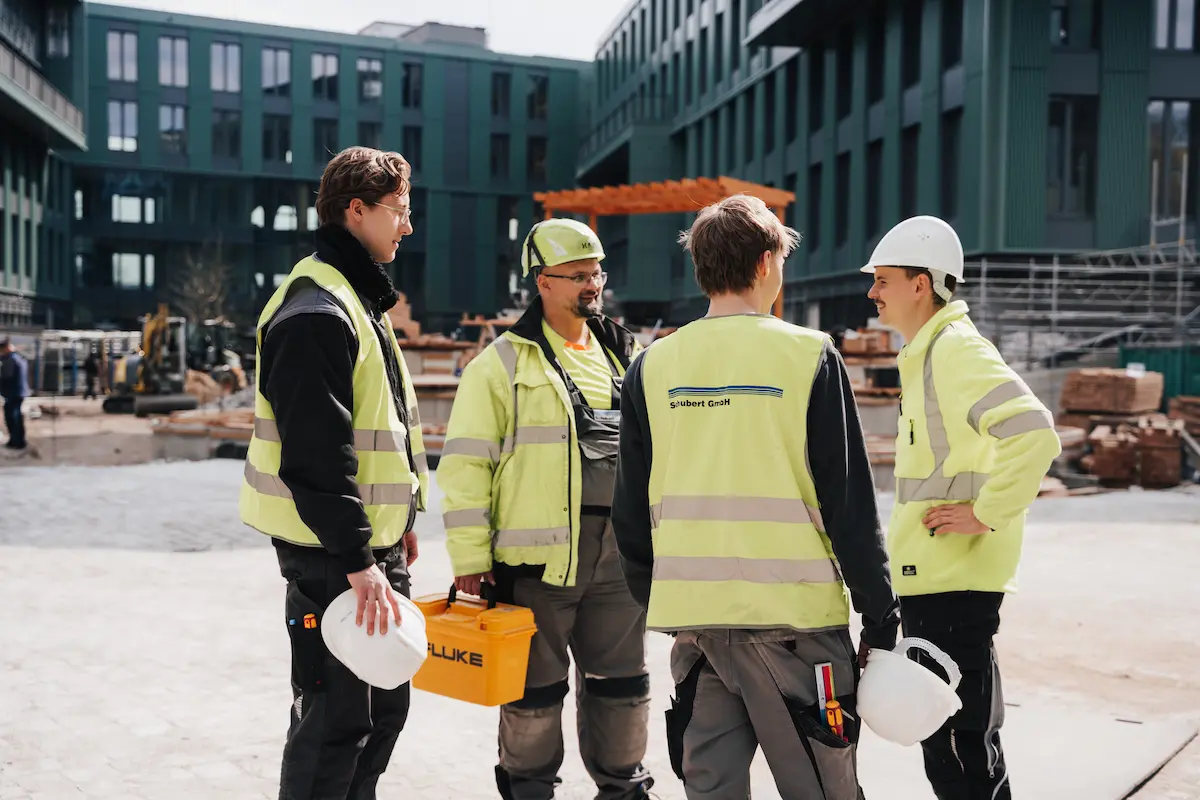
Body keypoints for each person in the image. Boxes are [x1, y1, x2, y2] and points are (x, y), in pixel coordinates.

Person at [611, 194, 900, 800]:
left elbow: (630, 510)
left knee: (710, 788)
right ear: (768, 262)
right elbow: (848, 506)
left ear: (701, 268)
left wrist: (661, 593)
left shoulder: (652, 365)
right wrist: (879, 613)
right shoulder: (809, 356)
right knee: (823, 788)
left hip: (696, 628)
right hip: (794, 626)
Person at [438, 218, 655, 800]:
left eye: (598, 273)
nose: (594, 284)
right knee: (534, 692)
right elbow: (464, 469)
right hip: (537, 565)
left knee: (623, 685)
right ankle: (529, 788)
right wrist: (469, 557)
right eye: (579, 275)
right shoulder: (500, 365)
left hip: (619, 561)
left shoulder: (628, 357)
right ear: (543, 282)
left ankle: (624, 787)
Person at [238, 146, 429, 800]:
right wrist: (356, 554)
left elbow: (386, 426)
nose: (408, 226)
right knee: (337, 721)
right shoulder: (316, 307)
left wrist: (398, 523)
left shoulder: (356, 298)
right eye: (398, 212)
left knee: (381, 710)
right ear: (357, 210)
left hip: (364, 546)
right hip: (333, 555)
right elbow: (317, 454)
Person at [862, 215, 1062, 800]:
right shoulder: (928, 353)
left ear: (921, 284)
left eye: (883, 280)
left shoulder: (953, 351)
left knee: (958, 748)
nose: (873, 292)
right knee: (961, 741)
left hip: (954, 580)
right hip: (941, 578)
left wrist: (986, 513)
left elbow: (1034, 432)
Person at [0, 338, 30, 450]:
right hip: (18, 392)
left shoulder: (10, 360)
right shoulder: (17, 357)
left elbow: (6, 376)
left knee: (13, 417)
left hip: (13, 392)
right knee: (15, 416)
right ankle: (18, 440)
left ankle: (16, 441)